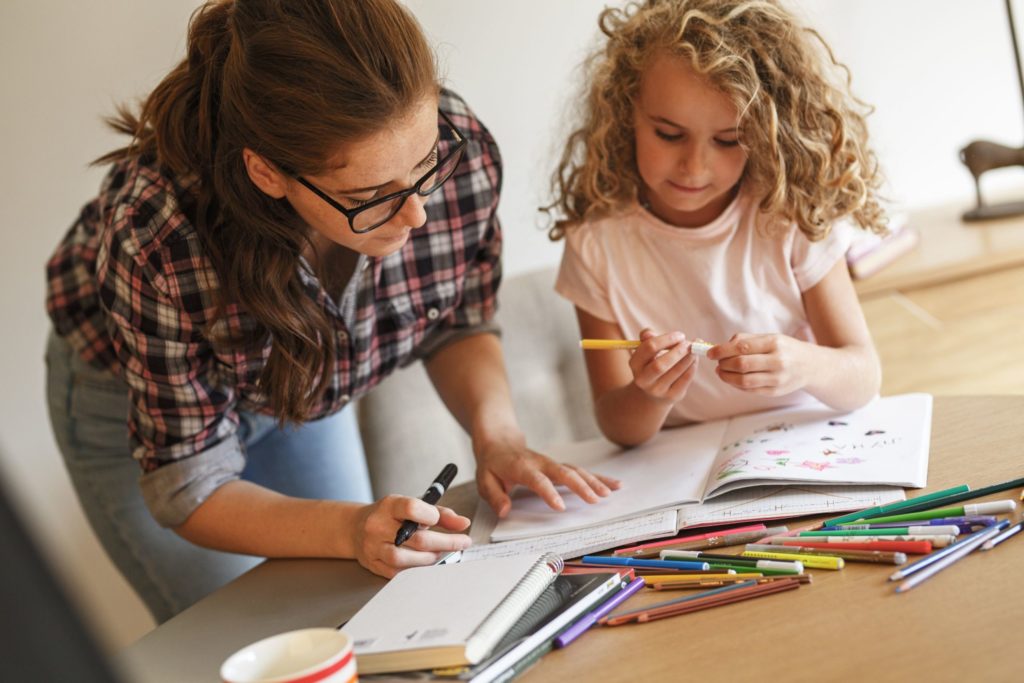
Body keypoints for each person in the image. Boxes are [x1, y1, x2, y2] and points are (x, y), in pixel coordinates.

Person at [45, 0, 617, 623]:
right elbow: (191, 484)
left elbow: (455, 318)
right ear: (267, 172)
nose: (416, 217)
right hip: (135, 407)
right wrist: (349, 529)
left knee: (351, 616)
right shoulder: (158, 234)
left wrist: (498, 436)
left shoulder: (460, 149)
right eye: (369, 197)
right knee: (249, 640)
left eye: (423, 166)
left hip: (296, 376)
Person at [549, 0, 885, 447]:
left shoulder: (786, 214)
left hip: (809, 448)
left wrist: (804, 365)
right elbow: (616, 425)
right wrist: (648, 395)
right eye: (669, 134)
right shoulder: (595, 244)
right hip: (682, 470)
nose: (694, 167)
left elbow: (864, 376)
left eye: (728, 141)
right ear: (626, 111)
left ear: (767, 134)